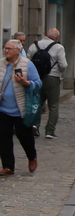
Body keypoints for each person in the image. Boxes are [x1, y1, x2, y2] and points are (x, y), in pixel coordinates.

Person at [0, 39, 40, 174]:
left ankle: (32, 156)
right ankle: (8, 166)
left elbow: (38, 83)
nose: (6, 51)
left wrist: (26, 83)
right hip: (3, 108)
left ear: (18, 50)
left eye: (9, 49)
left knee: (24, 136)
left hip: (21, 108)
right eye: (5, 48)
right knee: (3, 137)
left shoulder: (27, 64)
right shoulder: (1, 64)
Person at [29, 28, 66, 139]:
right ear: (56, 37)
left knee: (37, 103)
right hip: (52, 78)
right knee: (53, 105)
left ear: (46, 35)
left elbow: (27, 61)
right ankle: (50, 131)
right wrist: (59, 71)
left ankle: (35, 126)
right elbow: (63, 65)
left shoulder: (34, 45)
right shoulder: (58, 47)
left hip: (36, 78)